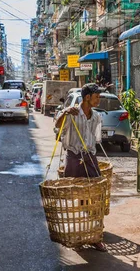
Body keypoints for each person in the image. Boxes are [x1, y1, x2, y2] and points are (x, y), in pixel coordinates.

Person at [54, 83, 107, 252]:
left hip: (89, 157)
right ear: (87, 98)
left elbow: (95, 138)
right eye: (96, 96)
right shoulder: (72, 113)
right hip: (73, 155)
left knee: (95, 196)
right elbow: (57, 125)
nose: (99, 99)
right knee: (73, 196)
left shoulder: (97, 116)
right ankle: (75, 231)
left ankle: (95, 236)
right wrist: (65, 112)